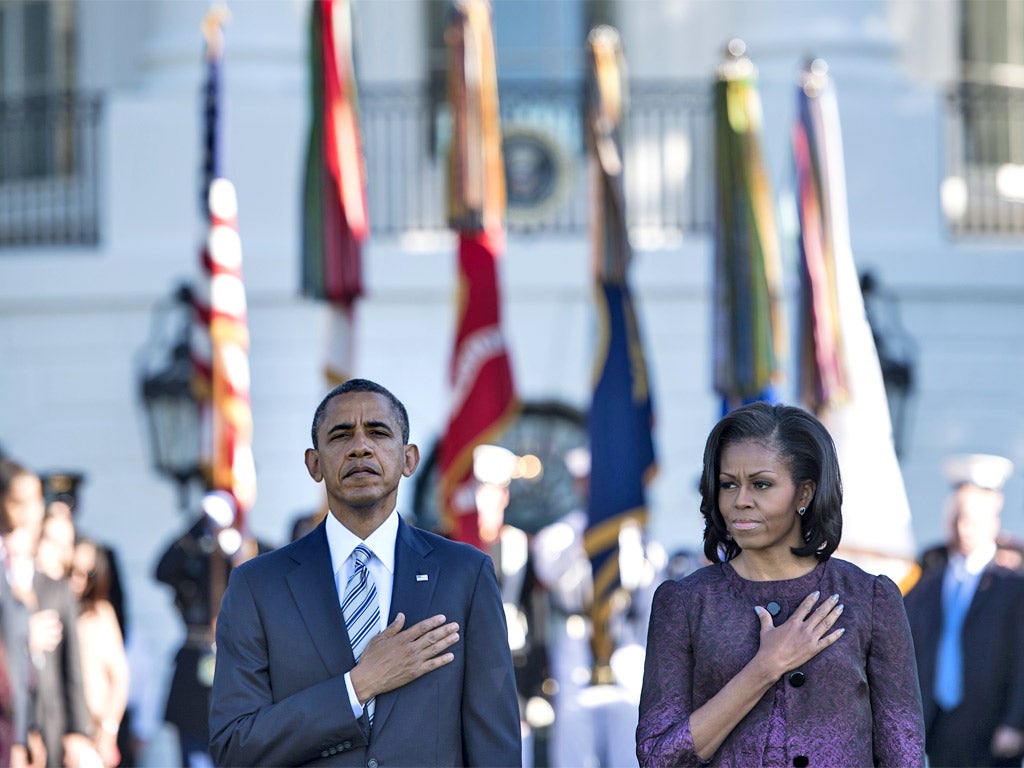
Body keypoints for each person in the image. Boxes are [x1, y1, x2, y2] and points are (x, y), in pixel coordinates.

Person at [208, 378, 522, 767]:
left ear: (409, 459)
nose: (360, 446)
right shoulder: (257, 586)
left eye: (378, 432)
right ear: (314, 463)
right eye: (341, 435)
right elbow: (233, 746)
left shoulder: (466, 574)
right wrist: (356, 687)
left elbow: (495, 746)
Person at [636, 402, 925, 767]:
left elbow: (904, 754)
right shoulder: (684, 602)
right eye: (728, 484)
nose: (740, 501)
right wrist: (764, 668)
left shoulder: (870, 598)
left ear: (804, 494)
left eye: (761, 484)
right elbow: (658, 756)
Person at [903, 454, 1024, 767]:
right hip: (938, 725)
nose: (962, 527)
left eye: (971, 518)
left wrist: (1016, 723)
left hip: (993, 730)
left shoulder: (1013, 585)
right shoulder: (929, 582)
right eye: (956, 517)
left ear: (993, 520)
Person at [154, 490, 271, 767]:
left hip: (243, 666)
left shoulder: (253, 551)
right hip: (196, 667)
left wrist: (242, 544)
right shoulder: (196, 554)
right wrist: (198, 527)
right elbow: (162, 570)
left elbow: (272, 567)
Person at [70, 536, 129, 767]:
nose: (79, 580)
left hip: (94, 732)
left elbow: (120, 677)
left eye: (88, 574)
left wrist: (109, 729)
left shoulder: (100, 614)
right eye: (73, 570)